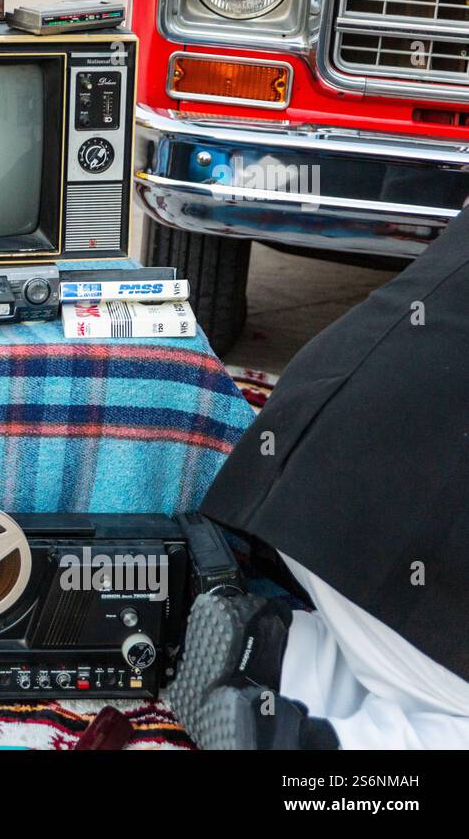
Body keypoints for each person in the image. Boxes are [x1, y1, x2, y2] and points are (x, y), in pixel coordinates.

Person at [171, 209, 469, 750]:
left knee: (408, 660)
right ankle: (316, 746)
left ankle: (282, 658)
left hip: (299, 465)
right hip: (395, 528)